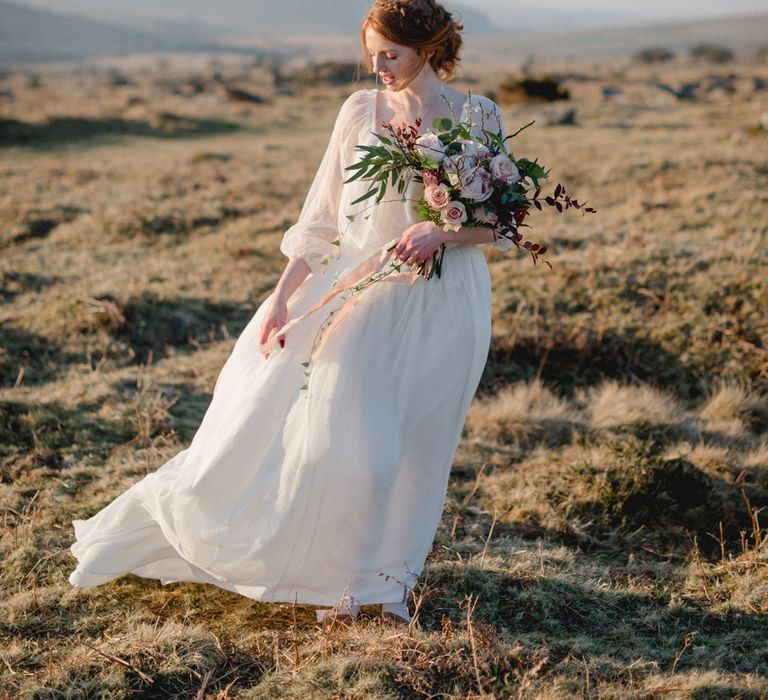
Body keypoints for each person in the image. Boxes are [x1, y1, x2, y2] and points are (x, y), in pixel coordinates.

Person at [67, 0, 511, 630]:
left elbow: (504, 223)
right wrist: (282, 297)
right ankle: (339, 577)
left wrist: (440, 235)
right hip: (360, 295)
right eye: (371, 54)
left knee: (419, 450)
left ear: (428, 49)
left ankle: (384, 591)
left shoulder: (478, 115)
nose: (378, 67)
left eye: (391, 54)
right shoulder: (360, 112)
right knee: (354, 445)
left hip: (445, 302)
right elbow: (323, 218)